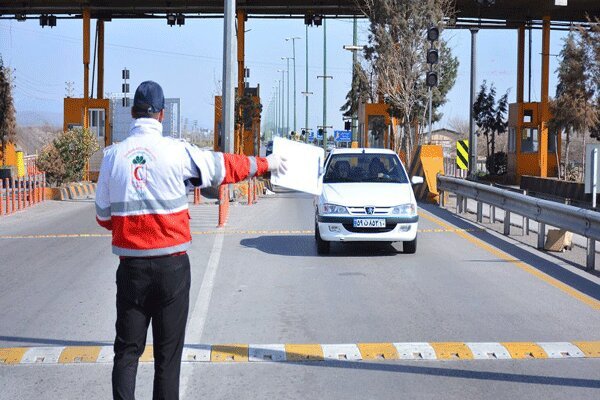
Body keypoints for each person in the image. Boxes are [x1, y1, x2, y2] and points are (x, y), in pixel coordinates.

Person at [95, 81, 287, 400]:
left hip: (131, 271)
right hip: (172, 269)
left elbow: (103, 215)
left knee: (127, 354)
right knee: (167, 359)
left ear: (132, 113)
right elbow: (223, 167)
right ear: (161, 114)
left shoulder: (113, 157)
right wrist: (266, 164)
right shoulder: (177, 152)